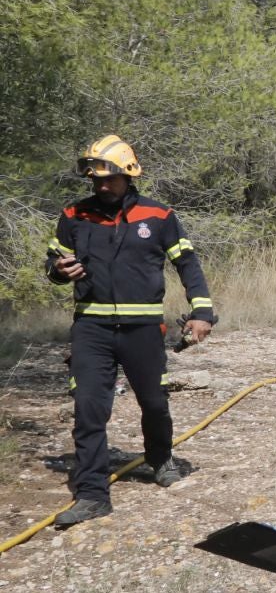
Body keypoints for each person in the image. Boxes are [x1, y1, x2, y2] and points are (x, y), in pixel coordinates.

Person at [44, 135, 214, 527]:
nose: (102, 186)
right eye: (96, 180)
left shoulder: (159, 216)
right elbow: (53, 264)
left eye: (110, 179)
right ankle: (91, 494)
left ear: (129, 175)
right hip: (91, 328)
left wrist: (201, 311)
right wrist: (56, 271)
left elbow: (187, 264)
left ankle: (159, 458)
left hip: (143, 328)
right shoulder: (73, 216)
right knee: (88, 409)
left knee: (154, 403)